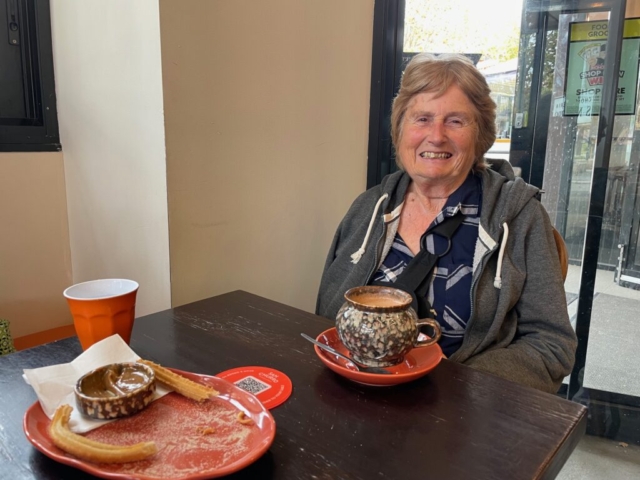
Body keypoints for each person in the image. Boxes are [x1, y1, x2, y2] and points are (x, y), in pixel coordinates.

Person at [316, 53, 577, 393]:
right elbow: (325, 320)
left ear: (480, 134)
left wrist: (458, 389)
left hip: (464, 416)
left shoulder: (520, 217)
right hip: (357, 396)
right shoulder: (368, 209)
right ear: (400, 130)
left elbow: (552, 346)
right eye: (421, 119)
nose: (436, 136)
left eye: (455, 121)